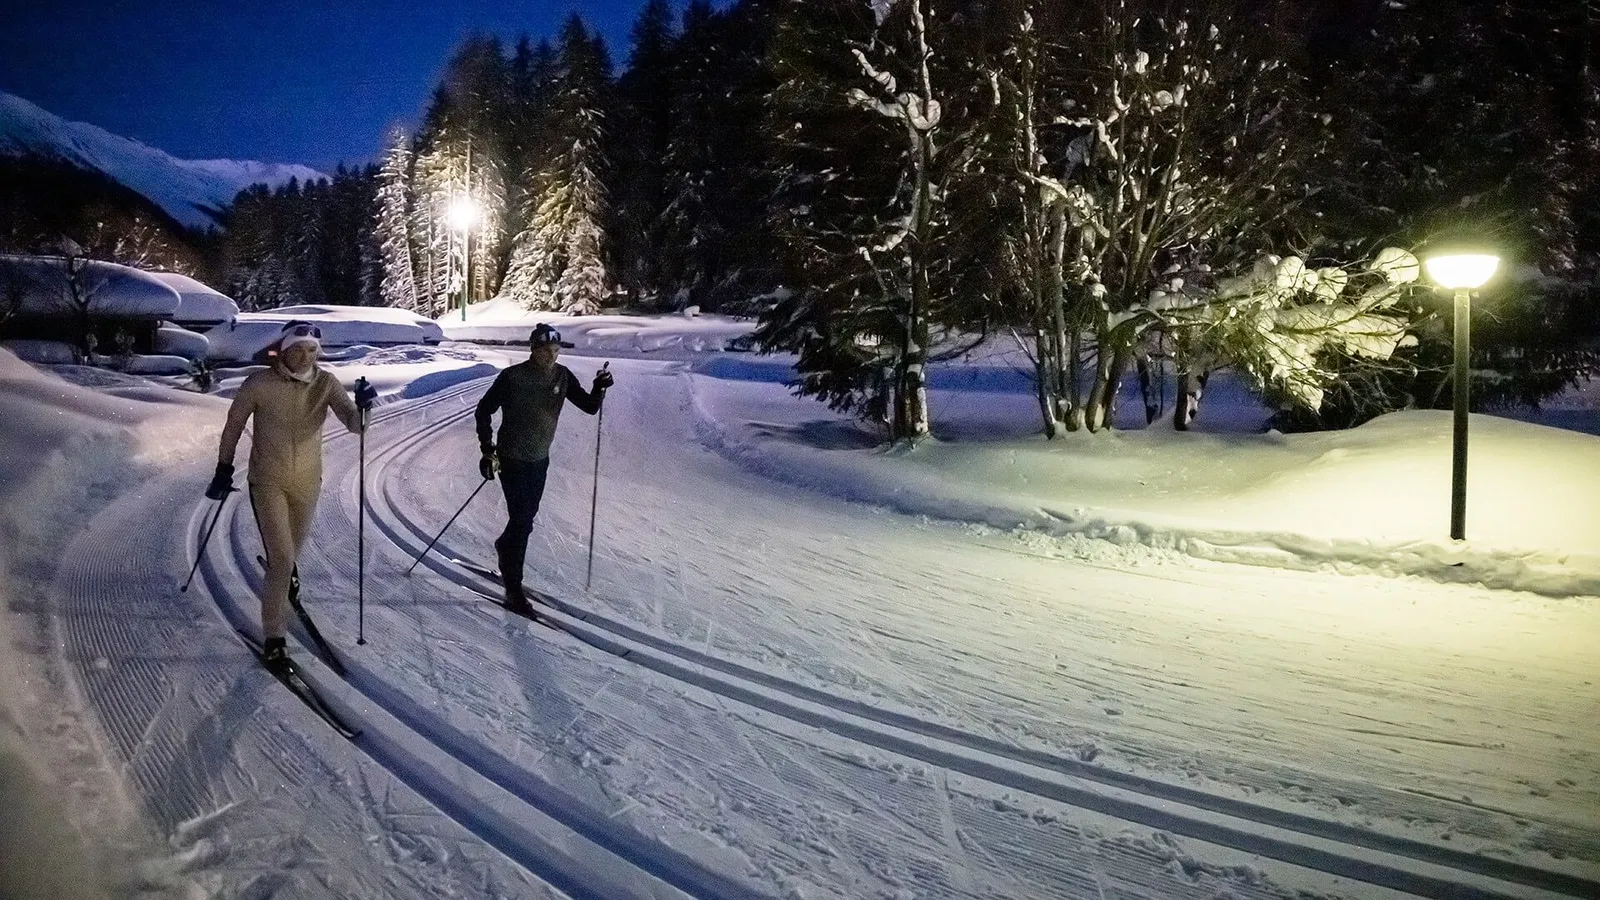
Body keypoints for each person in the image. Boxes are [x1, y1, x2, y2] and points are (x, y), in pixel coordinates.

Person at [206, 321, 376, 669]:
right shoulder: (260, 383)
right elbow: (234, 425)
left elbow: (355, 425)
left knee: (289, 556)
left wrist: (364, 406)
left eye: (312, 350)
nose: (304, 356)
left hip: (307, 484)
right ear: (283, 349)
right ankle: (275, 638)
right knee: (281, 559)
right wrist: (224, 467)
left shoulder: (326, 384)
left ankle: (285, 579)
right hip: (267, 481)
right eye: (297, 349)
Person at [475, 323, 613, 612]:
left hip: (540, 459)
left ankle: (505, 547)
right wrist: (488, 451)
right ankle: (513, 588)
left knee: (524, 520)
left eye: (555, 351)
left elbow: (588, 406)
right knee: (522, 521)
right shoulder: (512, 377)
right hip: (511, 458)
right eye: (545, 351)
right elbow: (483, 410)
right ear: (533, 349)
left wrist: (598, 388)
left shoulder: (562, 376)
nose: (551, 356)